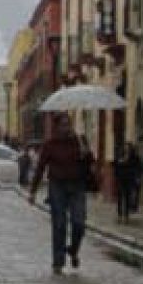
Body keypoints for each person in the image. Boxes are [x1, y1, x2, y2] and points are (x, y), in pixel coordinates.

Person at [28, 112, 97, 275]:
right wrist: (32, 192)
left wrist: (87, 153)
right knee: (59, 224)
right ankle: (58, 262)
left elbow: (91, 163)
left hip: (77, 185)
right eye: (63, 124)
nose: (66, 127)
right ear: (56, 127)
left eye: (68, 124)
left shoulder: (80, 141)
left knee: (79, 222)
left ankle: (73, 250)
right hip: (57, 185)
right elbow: (40, 168)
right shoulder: (50, 144)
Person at [113, 141, 143, 222]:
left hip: (129, 179)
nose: (127, 149)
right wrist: (116, 175)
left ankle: (126, 215)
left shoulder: (135, 157)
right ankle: (119, 214)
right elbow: (115, 166)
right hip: (120, 179)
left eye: (128, 148)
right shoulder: (120, 156)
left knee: (127, 197)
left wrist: (137, 176)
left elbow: (139, 167)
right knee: (120, 198)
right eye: (125, 147)